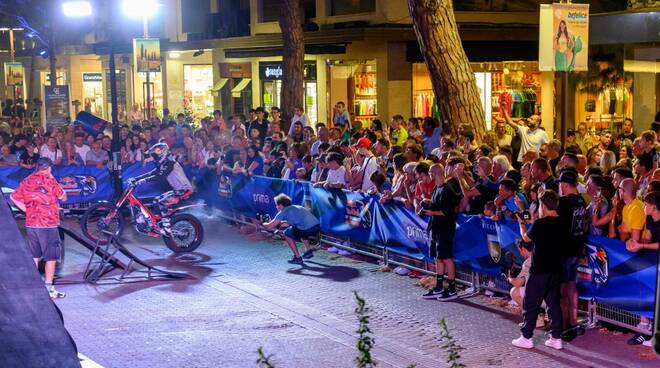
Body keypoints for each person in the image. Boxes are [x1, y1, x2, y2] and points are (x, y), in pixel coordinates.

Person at [512, 190, 565, 350]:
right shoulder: (563, 222)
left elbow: (526, 238)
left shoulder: (540, 224)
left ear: (543, 205)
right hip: (556, 269)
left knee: (530, 303)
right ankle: (556, 338)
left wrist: (522, 224)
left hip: (539, 270)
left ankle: (526, 337)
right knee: (553, 304)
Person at [10, 158, 68, 299]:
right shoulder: (50, 180)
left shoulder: (27, 180)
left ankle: (34, 288)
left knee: (34, 255)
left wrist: (27, 210)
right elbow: (64, 197)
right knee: (51, 257)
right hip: (48, 224)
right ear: (48, 168)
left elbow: (13, 197)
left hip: (31, 224)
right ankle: (49, 289)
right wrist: (52, 177)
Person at [126, 143, 193, 233]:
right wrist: (136, 179)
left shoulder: (170, 162)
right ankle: (159, 223)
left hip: (185, 190)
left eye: (154, 155)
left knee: (161, 201)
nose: (154, 157)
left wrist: (141, 181)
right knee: (156, 200)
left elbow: (160, 176)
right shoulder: (165, 163)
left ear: (161, 153)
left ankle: (166, 226)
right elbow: (152, 173)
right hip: (178, 190)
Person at [421, 161, 462, 301]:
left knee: (446, 258)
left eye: (431, 173)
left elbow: (446, 212)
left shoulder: (446, 189)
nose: (429, 175)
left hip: (445, 228)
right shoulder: (436, 188)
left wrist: (429, 211)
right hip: (436, 228)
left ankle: (452, 289)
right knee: (438, 258)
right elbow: (436, 205)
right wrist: (427, 202)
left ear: (436, 173)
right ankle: (439, 286)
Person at [556, 168, 588, 341]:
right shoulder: (581, 201)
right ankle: (573, 323)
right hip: (576, 248)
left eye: (561, 184)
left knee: (562, 290)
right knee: (571, 286)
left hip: (564, 250)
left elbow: (555, 224)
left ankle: (564, 326)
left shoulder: (563, 203)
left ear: (565, 185)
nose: (560, 187)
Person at [261, 194, 320, 264]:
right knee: (296, 229)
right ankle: (308, 251)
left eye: (276, 205)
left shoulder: (283, 212)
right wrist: (280, 223)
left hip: (307, 229)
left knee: (287, 233)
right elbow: (291, 222)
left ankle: (298, 257)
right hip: (316, 227)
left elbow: (269, 226)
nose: (276, 207)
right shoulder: (297, 207)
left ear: (281, 205)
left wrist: (262, 223)